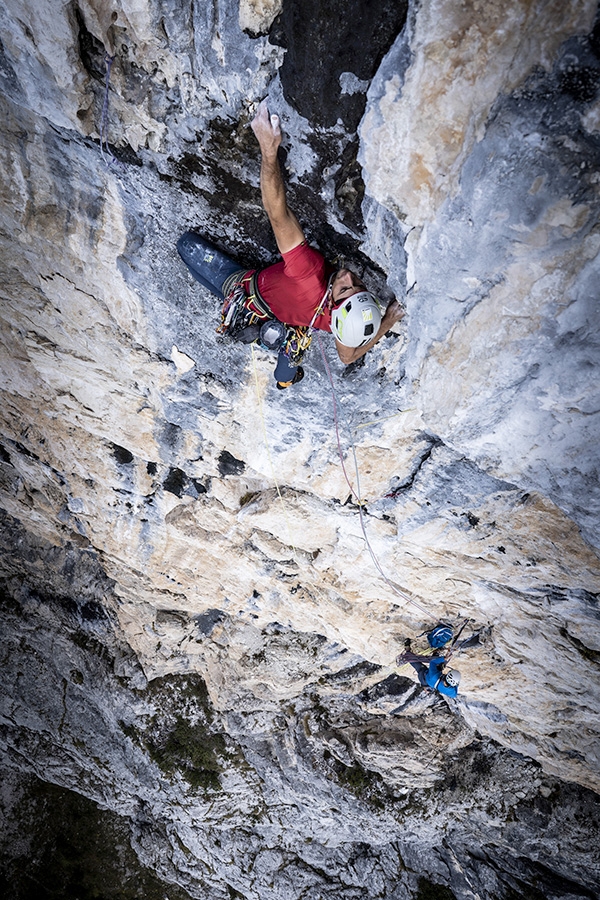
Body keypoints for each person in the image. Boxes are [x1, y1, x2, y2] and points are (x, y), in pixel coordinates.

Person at [177, 99, 404, 388]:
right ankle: (287, 372)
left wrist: (268, 151)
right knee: (285, 368)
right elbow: (348, 356)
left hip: (249, 293)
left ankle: (285, 375)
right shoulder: (346, 324)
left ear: (335, 306)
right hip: (290, 323)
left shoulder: (307, 274)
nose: (348, 277)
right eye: (358, 285)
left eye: (345, 288)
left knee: (187, 246)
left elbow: (277, 212)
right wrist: (389, 320)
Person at [396, 643, 461, 699]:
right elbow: (454, 695)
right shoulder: (452, 692)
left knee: (420, 668)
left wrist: (444, 658)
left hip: (424, 677)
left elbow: (432, 662)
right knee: (440, 666)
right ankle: (436, 652)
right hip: (432, 684)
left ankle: (407, 653)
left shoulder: (434, 676)